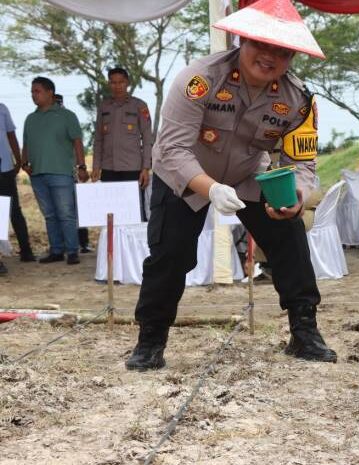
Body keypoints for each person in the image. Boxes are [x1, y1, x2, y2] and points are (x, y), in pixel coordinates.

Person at [125, 0, 336, 371]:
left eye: (282, 51)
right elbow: (171, 149)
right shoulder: (199, 80)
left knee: (290, 237)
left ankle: (304, 332)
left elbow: (302, 162)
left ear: (292, 57)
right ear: (241, 40)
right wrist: (210, 188)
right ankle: (151, 339)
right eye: (261, 45)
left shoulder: (298, 101)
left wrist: (297, 196)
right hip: (185, 176)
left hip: (249, 174)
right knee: (170, 255)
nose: (269, 57)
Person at [21, 77, 88, 265]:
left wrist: (82, 166)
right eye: (32, 92)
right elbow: (26, 143)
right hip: (37, 175)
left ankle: (72, 251)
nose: (34, 95)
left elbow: (77, 142)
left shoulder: (67, 116)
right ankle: (56, 250)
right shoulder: (30, 118)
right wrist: (24, 162)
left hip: (61, 173)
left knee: (66, 213)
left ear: (50, 92)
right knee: (49, 214)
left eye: (37, 91)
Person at [92, 67, 153, 221]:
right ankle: (114, 245)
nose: (117, 86)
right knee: (110, 212)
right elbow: (98, 139)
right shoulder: (103, 107)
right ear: (108, 84)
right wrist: (95, 166)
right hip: (108, 168)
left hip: (132, 169)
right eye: (113, 83)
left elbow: (147, 139)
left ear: (127, 83)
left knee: (136, 211)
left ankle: (140, 244)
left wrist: (146, 168)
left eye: (121, 82)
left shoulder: (140, 106)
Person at [0, 102, 35, 274]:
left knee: (14, 210)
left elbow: (11, 135)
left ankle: (26, 250)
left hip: (4, 168)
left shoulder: (2, 108)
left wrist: (18, 158)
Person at [54, 93, 92, 254]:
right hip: (56, 173)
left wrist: (81, 168)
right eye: (56, 102)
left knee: (77, 211)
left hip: (72, 174)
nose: (58, 105)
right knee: (59, 212)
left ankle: (83, 243)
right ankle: (62, 243)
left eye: (59, 102)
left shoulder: (68, 119)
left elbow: (78, 146)